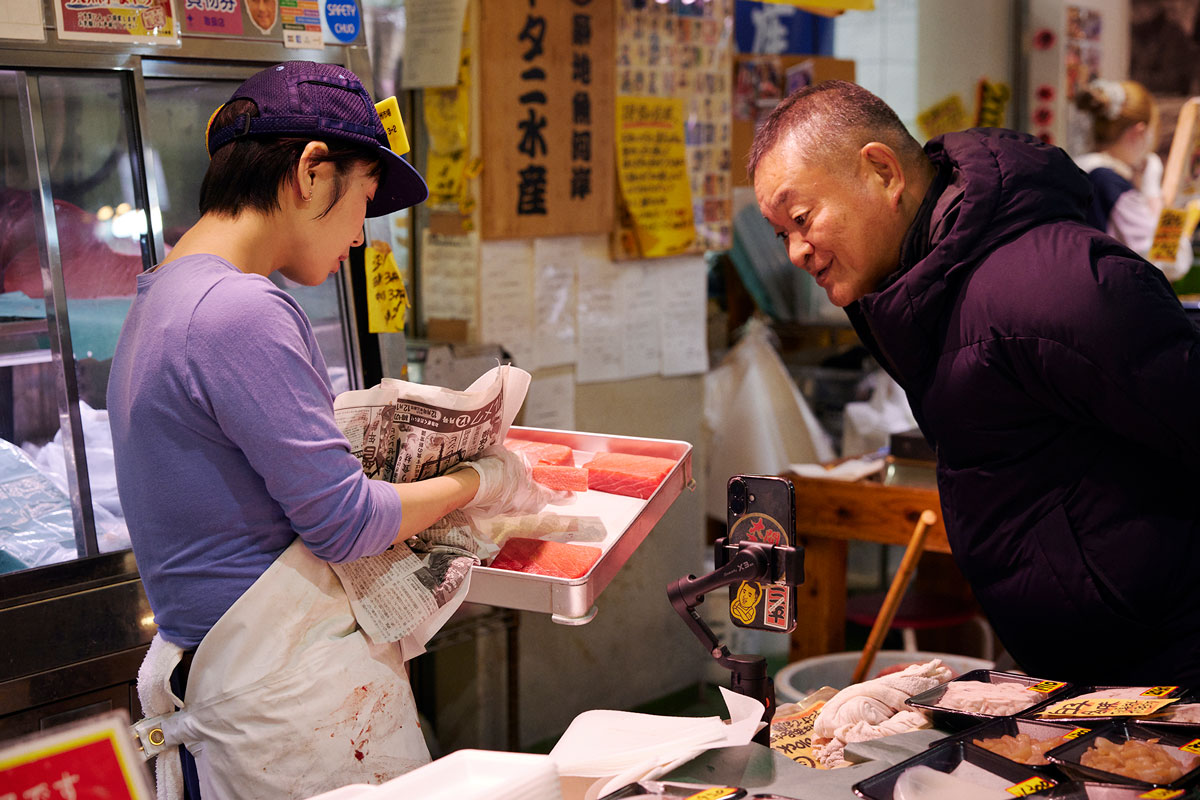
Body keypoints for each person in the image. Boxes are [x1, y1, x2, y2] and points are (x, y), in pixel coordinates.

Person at [107, 61, 562, 799]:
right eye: (365, 201)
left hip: (236, 688)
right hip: (286, 716)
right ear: (312, 172)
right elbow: (346, 525)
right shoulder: (240, 310)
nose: (359, 236)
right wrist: (480, 480)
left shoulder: (162, 296)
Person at [749, 80, 1200, 686]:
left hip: (1167, 667)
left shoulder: (1059, 288)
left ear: (882, 172)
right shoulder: (918, 295)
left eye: (801, 219)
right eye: (782, 234)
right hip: (1076, 670)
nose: (796, 252)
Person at [1074, 78, 1192, 281]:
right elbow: (1168, 261)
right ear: (1139, 131)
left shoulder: (1076, 168)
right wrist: (1154, 193)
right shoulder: (1110, 184)